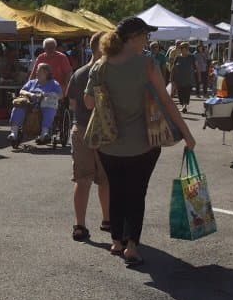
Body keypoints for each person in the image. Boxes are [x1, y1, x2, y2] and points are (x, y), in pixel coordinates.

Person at [85, 18, 196, 268]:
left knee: (116, 189)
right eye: (146, 35)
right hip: (144, 142)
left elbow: (89, 104)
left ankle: (116, 240)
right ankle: (132, 245)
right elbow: (168, 102)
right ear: (135, 37)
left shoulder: (101, 65)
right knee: (137, 193)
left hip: (108, 143)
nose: (147, 40)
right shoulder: (147, 63)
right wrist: (186, 134)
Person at [66, 32, 110, 241]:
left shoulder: (79, 73)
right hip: (104, 131)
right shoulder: (107, 72)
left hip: (81, 129)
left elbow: (72, 104)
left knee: (82, 179)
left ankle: (80, 225)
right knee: (106, 179)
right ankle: (107, 219)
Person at [5, 63, 61, 148]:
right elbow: (22, 91)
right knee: (19, 105)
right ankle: (14, 133)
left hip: (44, 104)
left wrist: (47, 95)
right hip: (30, 104)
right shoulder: (32, 82)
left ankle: (44, 133)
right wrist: (30, 94)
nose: (36, 73)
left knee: (49, 106)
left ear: (46, 73)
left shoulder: (53, 83)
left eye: (39, 71)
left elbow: (60, 95)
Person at [170, 44, 199, 112]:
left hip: (188, 79)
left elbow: (196, 67)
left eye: (185, 49)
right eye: (182, 49)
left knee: (187, 93)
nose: (184, 51)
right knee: (180, 94)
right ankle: (183, 105)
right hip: (179, 80)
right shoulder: (178, 57)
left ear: (187, 50)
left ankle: (184, 106)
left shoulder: (192, 57)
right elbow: (173, 68)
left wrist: (198, 76)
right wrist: (171, 77)